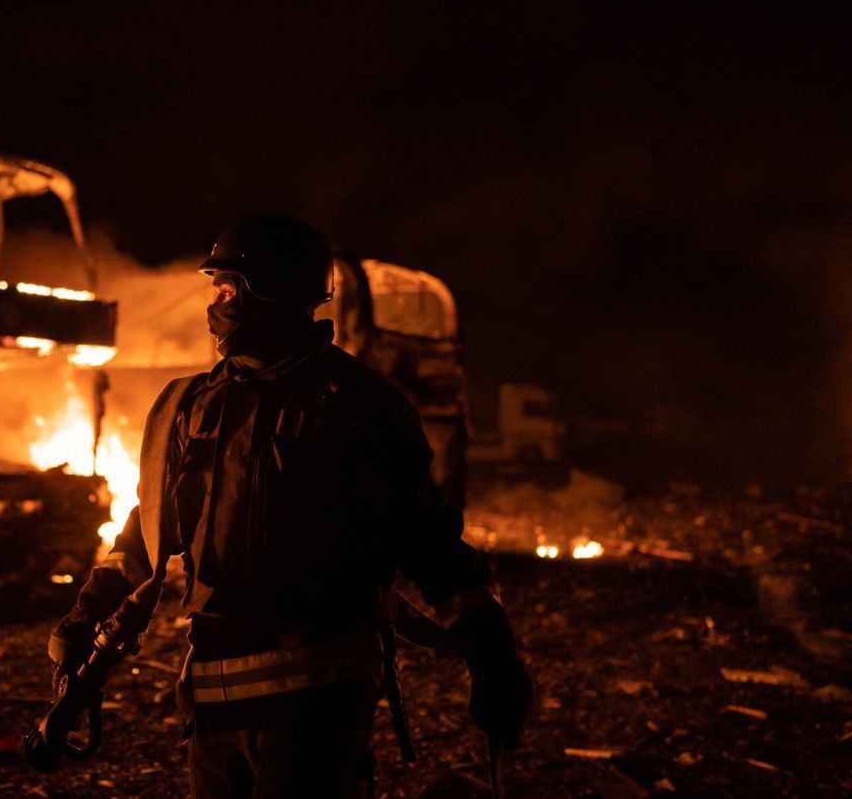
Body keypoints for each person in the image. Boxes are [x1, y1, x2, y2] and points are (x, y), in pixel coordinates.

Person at [49, 215, 532, 797]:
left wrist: (492, 655)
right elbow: (145, 536)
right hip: (213, 703)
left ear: (275, 292)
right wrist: (86, 616)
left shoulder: (357, 408)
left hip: (317, 704)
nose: (216, 307)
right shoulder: (192, 407)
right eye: (216, 290)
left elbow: (429, 544)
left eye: (229, 290)